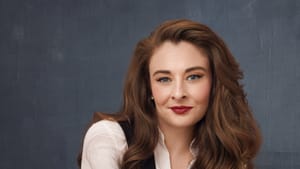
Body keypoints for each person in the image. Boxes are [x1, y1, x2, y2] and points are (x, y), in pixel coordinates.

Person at [78, 19, 262, 169]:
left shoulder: (228, 155)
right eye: (164, 79)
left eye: (193, 77)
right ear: (148, 87)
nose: (179, 93)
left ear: (215, 84)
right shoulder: (109, 138)